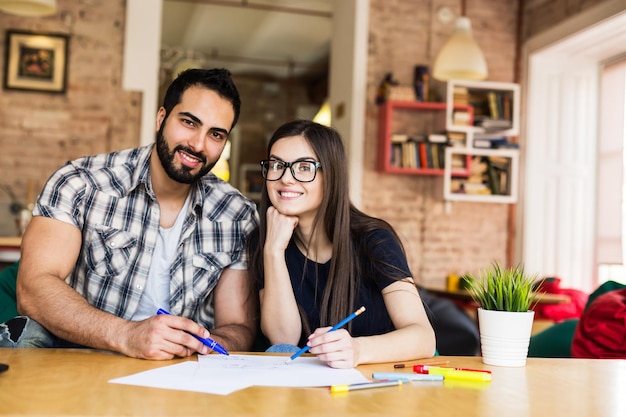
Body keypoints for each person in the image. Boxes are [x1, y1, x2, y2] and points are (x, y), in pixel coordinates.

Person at [0, 68, 260, 360]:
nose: (198, 145)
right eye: (189, 122)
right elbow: (33, 290)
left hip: (183, 373)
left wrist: (202, 345)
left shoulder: (237, 214)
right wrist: (125, 335)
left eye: (215, 134)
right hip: (84, 361)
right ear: (161, 117)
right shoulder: (81, 182)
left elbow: (237, 326)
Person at [248, 119, 436, 368]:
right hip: (303, 392)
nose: (285, 178)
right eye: (277, 165)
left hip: (373, 386)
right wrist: (273, 251)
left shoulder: (374, 240)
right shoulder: (262, 241)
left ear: (332, 175)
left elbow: (424, 337)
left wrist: (357, 350)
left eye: (304, 167)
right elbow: (284, 341)